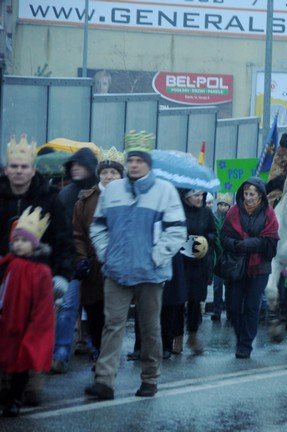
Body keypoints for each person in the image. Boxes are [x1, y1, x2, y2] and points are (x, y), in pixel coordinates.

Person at [85, 131, 187, 400]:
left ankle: (150, 378)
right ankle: (104, 381)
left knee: (150, 327)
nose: (133, 165)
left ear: (148, 163)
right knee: (113, 326)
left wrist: (156, 256)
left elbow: (177, 231)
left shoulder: (164, 191)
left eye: (139, 160)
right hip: (116, 272)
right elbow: (97, 227)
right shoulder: (113, 191)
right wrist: (106, 254)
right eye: (130, 160)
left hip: (150, 274)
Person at [0, 134, 73, 405]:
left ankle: (26, 387)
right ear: (7, 168)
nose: (19, 171)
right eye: (14, 166)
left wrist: (62, 276)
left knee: (30, 335)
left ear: (33, 169)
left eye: (24, 167)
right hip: (4, 276)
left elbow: (64, 240)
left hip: (38, 280)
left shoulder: (50, 198)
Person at [71, 148, 124, 366]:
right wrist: (81, 258)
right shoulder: (85, 200)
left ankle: (108, 357)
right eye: (105, 172)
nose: (109, 176)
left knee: (114, 315)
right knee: (94, 312)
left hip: (120, 266)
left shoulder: (130, 197)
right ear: (99, 174)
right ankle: (98, 349)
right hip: (94, 266)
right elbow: (77, 234)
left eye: (113, 172)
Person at [0, 207, 55, 417]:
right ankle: (6, 394)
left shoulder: (41, 271)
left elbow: (43, 304)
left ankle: (15, 398)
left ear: (34, 243)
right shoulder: (9, 263)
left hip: (25, 325)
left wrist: (36, 329)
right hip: (7, 322)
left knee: (21, 365)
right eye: (16, 241)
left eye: (24, 241)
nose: (19, 244)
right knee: (6, 360)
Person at [52, 147, 100, 373]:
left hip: (97, 260)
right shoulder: (66, 194)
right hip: (72, 261)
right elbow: (59, 230)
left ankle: (95, 347)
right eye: (73, 165)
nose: (76, 169)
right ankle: (60, 353)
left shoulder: (102, 193)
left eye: (80, 165)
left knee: (96, 307)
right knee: (68, 306)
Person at [220, 178, 279, 359]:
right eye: (246, 194)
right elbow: (224, 236)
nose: (248, 197)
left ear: (260, 195)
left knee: (252, 306)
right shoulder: (233, 212)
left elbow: (271, 240)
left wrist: (250, 244)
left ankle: (245, 344)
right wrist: (236, 244)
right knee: (233, 305)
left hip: (259, 267)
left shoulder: (269, 214)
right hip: (236, 264)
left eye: (252, 194)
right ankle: (240, 335)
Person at [178, 189, 216, 354]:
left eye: (202, 195)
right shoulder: (178, 210)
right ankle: (176, 337)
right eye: (196, 195)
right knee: (178, 302)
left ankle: (192, 336)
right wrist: (187, 243)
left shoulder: (206, 213)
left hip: (199, 263)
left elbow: (214, 233)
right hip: (181, 263)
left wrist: (205, 241)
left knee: (195, 301)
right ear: (187, 198)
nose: (200, 198)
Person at [211, 193, 233, 322]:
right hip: (217, 258)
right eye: (221, 204)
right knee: (217, 286)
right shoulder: (213, 218)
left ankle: (230, 312)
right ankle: (217, 311)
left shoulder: (231, 219)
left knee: (229, 287)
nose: (223, 207)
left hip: (229, 258)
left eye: (226, 205)